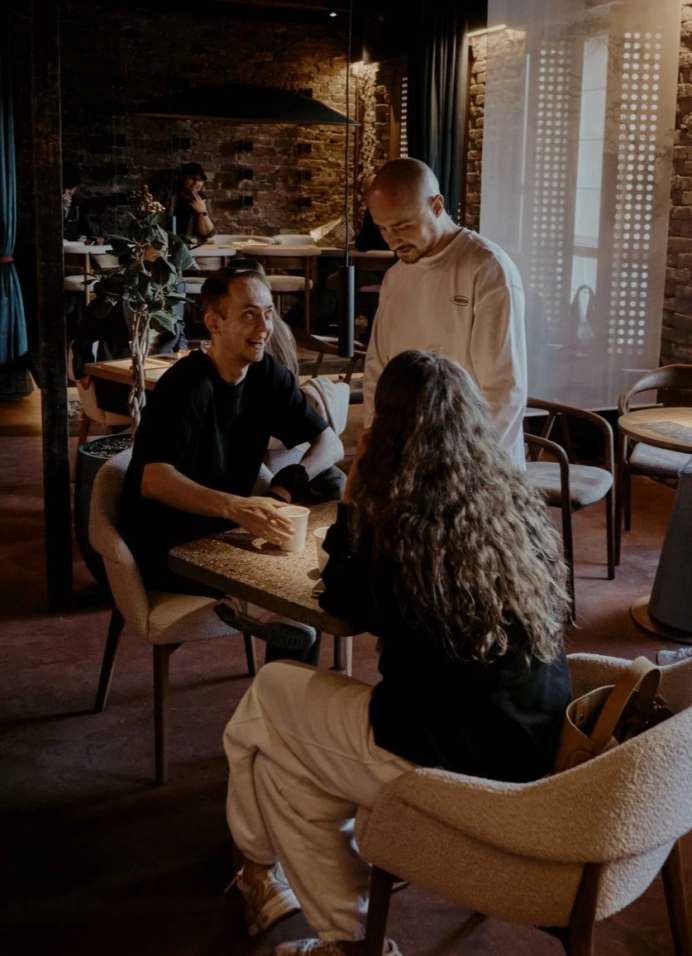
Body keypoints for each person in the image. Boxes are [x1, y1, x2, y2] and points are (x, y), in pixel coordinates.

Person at [223, 350, 572, 956]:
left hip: (450, 758)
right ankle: (334, 932)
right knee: (286, 765)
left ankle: (257, 868)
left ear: (389, 429)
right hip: (529, 741)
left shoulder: (408, 527)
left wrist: (356, 491)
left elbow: (345, 600)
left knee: (268, 702)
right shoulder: (508, 504)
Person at [118, 263, 344, 659]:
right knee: (295, 604)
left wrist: (288, 483)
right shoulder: (184, 385)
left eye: (268, 313)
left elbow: (330, 443)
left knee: (329, 491)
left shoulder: (267, 375)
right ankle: (257, 611)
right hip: (166, 540)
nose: (265, 327)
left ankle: (271, 627)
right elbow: (154, 479)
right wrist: (237, 507)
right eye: (249, 315)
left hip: (225, 531)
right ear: (214, 322)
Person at [363, 158, 527, 469]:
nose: (392, 240)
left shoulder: (486, 267)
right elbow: (377, 371)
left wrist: (474, 465)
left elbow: (504, 389)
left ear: (436, 206)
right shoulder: (395, 277)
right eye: (383, 228)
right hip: (407, 456)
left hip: (475, 460)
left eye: (402, 226)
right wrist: (376, 442)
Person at [70, 230, 194, 416]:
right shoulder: (117, 285)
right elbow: (87, 329)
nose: (161, 251)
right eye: (155, 246)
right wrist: (82, 368)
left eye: (165, 248)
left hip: (163, 371)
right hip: (123, 377)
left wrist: (183, 357)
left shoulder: (176, 285)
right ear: (138, 250)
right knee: (174, 405)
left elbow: (179, 331)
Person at [159, 162, 216, 241]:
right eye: (191, 177)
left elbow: (208, 234)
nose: (196, 182)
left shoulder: (202, 200)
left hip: (189, 243)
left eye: (200, 179)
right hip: (163, 241)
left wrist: (202, 212)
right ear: (182, 178)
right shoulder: (168, 194)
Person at [62, 162, 96, 241]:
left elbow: (84, 227)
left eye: (71, 188)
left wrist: (92, 237)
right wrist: (62, 208)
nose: (67, 192)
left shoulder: (75, 202)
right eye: (64, 187)